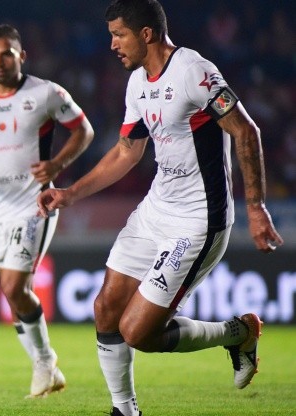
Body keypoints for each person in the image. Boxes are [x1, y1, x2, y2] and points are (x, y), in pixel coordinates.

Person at [36, 1, 284, 415]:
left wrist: (256, 207)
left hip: (198, 219)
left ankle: (237, 333)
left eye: (119, 34)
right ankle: (124, 411)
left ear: (146, 33)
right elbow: (126, 152)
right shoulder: (137, 83)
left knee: (137, 332)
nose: (112, 43)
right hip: (156, 210)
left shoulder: (192, 71)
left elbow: (245, 130)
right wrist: (70, 193)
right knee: (105, 310)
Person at [0, 24, 94, 398]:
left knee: (15, 286)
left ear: (21, 55)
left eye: (6, 54)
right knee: (12, 292)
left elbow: (84, 131)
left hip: (36, 201)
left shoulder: (45, 93)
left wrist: (58, 165)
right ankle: (47, 369)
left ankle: (45, 362)